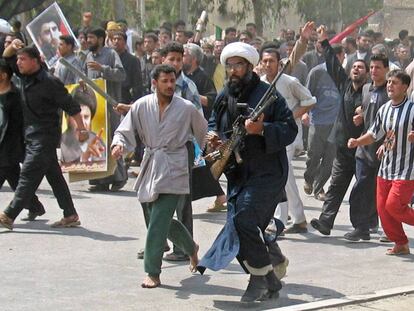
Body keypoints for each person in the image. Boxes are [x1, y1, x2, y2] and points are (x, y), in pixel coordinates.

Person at [198, 42, 298, 302]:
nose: (233, 70)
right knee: (238, 226)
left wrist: (262, 130)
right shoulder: (225, 94)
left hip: (267, 172)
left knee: (244, 220)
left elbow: (290, 130)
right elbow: (213, 121)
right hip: (237, 173)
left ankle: (258, 281)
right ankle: (270, 279)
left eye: (238, 65)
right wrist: (215, 137)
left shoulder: (270, 96)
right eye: (229, 66)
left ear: (251, 67)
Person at [111, 64, 207, 288]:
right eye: (165, 81)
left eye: (172, 81)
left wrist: (204, 155)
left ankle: (152, 271)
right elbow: (125, 131)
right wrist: (119, 146)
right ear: (155, 83)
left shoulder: (186, 108)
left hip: (175, 166)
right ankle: (191, 248)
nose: (170, 85)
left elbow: (203, 132)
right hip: (151, 163)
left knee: (159, 220)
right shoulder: (142, 105)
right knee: (156, 218)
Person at [0, 43, 88, 230]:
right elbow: (7, 58)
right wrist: (14, 44)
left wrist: (81, 129)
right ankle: (70, 214)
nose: (19, 62)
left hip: (45, 136)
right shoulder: (24, 76)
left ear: (36, 61)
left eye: (23, 59)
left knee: (28, 174)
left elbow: (71, 106)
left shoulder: (49, 82)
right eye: (18, 59)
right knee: (55, 176)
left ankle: (8, 214)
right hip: (29, 135)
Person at [310, 26, 370, 240]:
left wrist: (365, 113)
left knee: (361, 190)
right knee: (336, 185)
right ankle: (326, 221)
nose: (356, 69)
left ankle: (362, 227)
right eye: (354, 66)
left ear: (368, 72)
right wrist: (325, 42)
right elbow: (332, 63)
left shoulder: (370, 92)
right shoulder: (344, 84)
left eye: (361, 67)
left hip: (364, 149)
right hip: (343, 146)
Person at [348, 70, 414, 255]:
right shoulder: (384, 109)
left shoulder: (413, 109)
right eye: (389, 82)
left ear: (405, 87)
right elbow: (373, 133)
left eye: (395, 82)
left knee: (394, 206)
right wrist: (357, 142)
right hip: (385, 169)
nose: (390, 85)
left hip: (407, 170)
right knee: (383, 210)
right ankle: (400, 244)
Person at [260, 47, 316, 232]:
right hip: (269, 135)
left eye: (271, 61)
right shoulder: (260, 84)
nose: (268, 65)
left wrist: (290, 118)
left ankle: (279, 221)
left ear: (279, 63)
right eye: (265, 61)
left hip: (288, 135)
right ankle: (299, 218)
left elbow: (309, 101)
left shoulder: (290, 82)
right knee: (285, 175)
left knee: (279, 174)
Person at [0, 58, 45, 221]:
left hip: (10, 143)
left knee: (8, 173)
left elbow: (21, 123)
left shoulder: (15, 96)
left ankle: (17, 211)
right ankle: (34, 206)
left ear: (4, 75)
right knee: (14, 178)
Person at [83, 27, 127, 192]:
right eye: (87, 37)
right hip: (94, 106)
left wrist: (103, 69)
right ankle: (100, 180)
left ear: (101, 39)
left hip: (110, 106)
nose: (88, 40)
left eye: (92, 37)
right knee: (97, 141)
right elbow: (84, 76)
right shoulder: (88, 56)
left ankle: (119, 177)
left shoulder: (111, 54)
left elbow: (121, 75)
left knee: (113, 141)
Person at [303, 44, 343, 201]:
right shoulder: (317, 72)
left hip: (336, 124)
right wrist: (305, 113)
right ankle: (309, 178)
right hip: (318, 120)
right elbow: (306, 95)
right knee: (314, 154)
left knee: (330, 158)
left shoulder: (344, 74)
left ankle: (319, 189)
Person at [61, 85, 106, 169]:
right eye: (77, 117)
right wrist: (84, 157)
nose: (82, 123)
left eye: (86, 117)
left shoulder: (98, 142)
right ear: (68, 118)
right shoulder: (61, 142)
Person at [112, 31, 143, 103]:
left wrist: (135, 101)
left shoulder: (133, 60)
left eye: (119, 39)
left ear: (125, 42)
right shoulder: (109, 59)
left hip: (126, 98)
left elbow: (137, 83)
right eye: (114, 39)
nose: (116, 41)